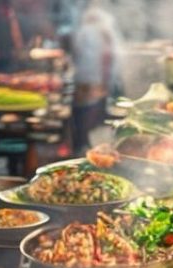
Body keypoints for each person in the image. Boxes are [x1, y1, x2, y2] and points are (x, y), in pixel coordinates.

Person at [71, 4, 118, 155]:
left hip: (85, 78)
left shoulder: (84, 31)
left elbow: (76, 53)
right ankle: (84, 146)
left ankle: (82, 145)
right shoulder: (102, 32)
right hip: (94, 79)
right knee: (90, 112)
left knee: (84, 112)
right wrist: (107, 80)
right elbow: (108, 57)